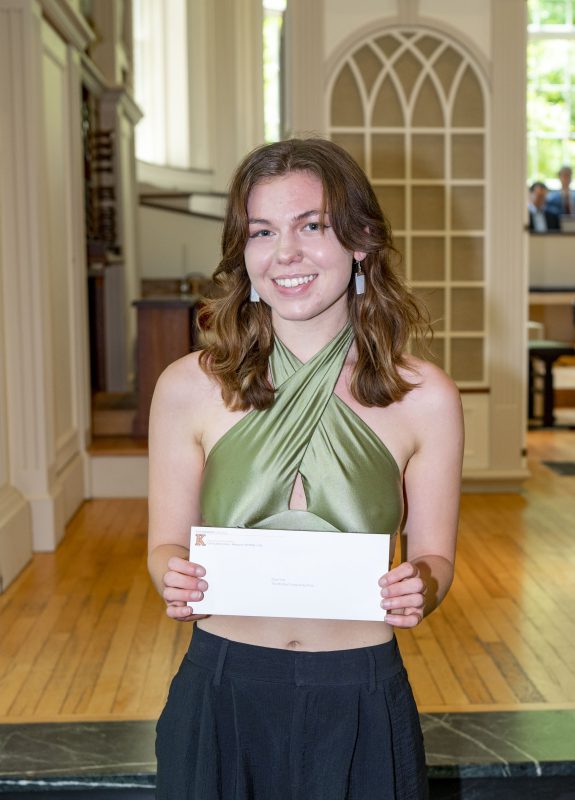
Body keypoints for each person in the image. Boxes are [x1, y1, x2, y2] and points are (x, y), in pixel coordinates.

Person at [147, 137, 464, 800]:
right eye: (262, 232)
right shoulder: (187, 387)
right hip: (221, 691)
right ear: (243, 251)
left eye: (311, 226)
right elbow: (163, 545)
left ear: (360, 241)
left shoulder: (424, 396)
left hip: (359, 693)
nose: (284, 253)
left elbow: (434, 558)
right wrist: (170, 577)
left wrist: (421, 587)